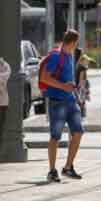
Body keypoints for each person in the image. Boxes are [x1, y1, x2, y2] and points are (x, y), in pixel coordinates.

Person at [41, 30, 84, 183]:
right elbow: (44, 78)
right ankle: (52, 171)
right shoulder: (55, 56)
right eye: (76, 43)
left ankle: (67, 167)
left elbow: (68, 79)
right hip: (57, 102)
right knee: (55, 137)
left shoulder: (69, 56)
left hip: (71, 101)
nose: (76, 46)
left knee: (78, 132)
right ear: (72, 42)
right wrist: (63, 87)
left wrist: (76, 95)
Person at [74, 48, 91, 119]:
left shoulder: (74, 65)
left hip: (75, 87)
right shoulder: (82, 67)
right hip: (80, 88)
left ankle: (78, 115)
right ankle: (81, 116)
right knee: (81, 102)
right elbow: (82, 80)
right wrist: (86, 91)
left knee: (77, 102)